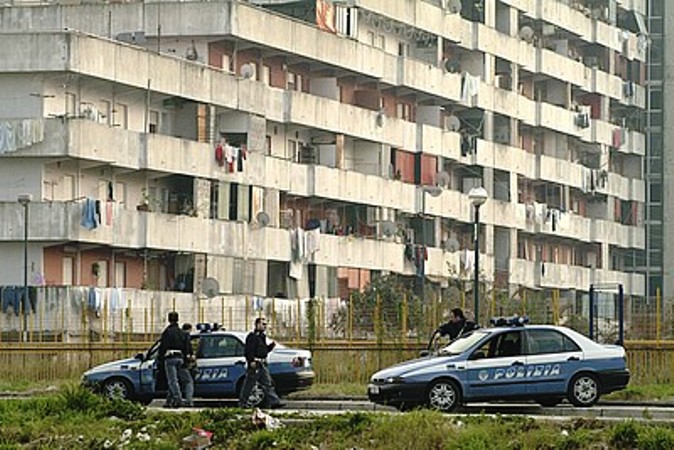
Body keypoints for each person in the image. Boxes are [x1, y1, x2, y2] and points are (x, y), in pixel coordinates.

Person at [238, 317, 283, 409]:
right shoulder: (252, 337)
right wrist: (251, 361)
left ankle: (274, 401)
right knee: (249, 384)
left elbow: (263, 351)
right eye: (263, 324)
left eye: (265, 324)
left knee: (267, 383)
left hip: (262, 364)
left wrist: (270, 347)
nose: (265, 326)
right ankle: (243, 402)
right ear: (257, 325)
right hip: (256, 364)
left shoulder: (262, 337)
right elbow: (248, 350)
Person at [158, 312, 193, 408]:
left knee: (172, 380)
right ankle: (170, 401)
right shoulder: (182, 333)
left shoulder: (167, 332)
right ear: (178, 319)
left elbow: (162, 347)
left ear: (169, 319)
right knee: (184, 380)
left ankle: (178, 399)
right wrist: (186, 360)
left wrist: (160, 358)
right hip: (180, 357)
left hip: (170, 358)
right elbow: (187, 347)